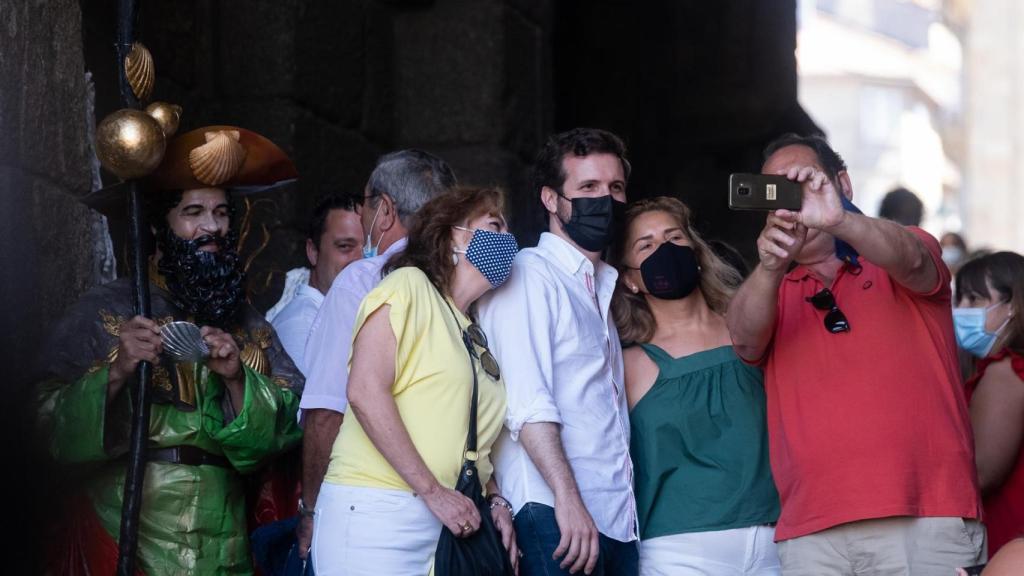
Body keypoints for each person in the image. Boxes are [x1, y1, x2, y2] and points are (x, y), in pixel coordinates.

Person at [36, 126, 305, 575]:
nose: (212, 227)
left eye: (220, 212)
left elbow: (293, 421)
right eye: (194, 212)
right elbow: (39, 422)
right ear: (160, 226)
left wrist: (238, 379)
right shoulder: (109, 309)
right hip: (131, 527)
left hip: (225, 537)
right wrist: (117, 371)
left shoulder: (247, 320)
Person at [726, 133, 983, 575]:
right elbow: (745, 340)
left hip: (925, 518)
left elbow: (916, 262)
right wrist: (770, 267)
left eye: (804, 183)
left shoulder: (899, 249)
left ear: (842, 184)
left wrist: (837, 220)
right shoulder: (769, 290)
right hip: (813, 533)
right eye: (780, 190)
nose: (796, 201)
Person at [312, 186, 520, 574]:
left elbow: (472, 441)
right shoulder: (409, 286)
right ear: (453, 234)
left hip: (448, 522)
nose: (508, 239)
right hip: (378, 510)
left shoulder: (473, 330)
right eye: (495, 226)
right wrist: (433, 491)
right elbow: (364, 391)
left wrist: (495, 501)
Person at [478, 127, 638, 576]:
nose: (604, 200)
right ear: (551, 200)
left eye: (615, 188)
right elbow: (526, 405)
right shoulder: (530, 276)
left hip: (615, 522)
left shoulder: (598, 287)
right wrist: (567, 499)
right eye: (587, 187)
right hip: (556, 515)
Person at [298, 149, 456, 558]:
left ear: (384, 209)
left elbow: (327, 410)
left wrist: (311, 511)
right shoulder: (462, 283)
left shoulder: (364, 280)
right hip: (454, 507)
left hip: (369, 509)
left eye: (366, 205)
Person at [611, 197, 779, 575]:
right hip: (680, 550)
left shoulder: (749, 331)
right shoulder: (628, 364)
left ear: (697, 252)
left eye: (674, 237)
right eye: (646, 245)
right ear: (630, 279)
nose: (664, 250)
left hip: (774, 539)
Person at [954, 251, 1024, 556]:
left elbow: (981, 472)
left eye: (974, 299)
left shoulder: (1007, 371)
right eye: (959, 300)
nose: (961, 310)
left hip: (1008, 536)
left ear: (1012, 306)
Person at [271, 193, 363, 375]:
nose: (361, 260)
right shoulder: (301, 326)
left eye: (368, 247)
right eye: (345, 246)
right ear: (313, 251)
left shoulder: (347, 314)